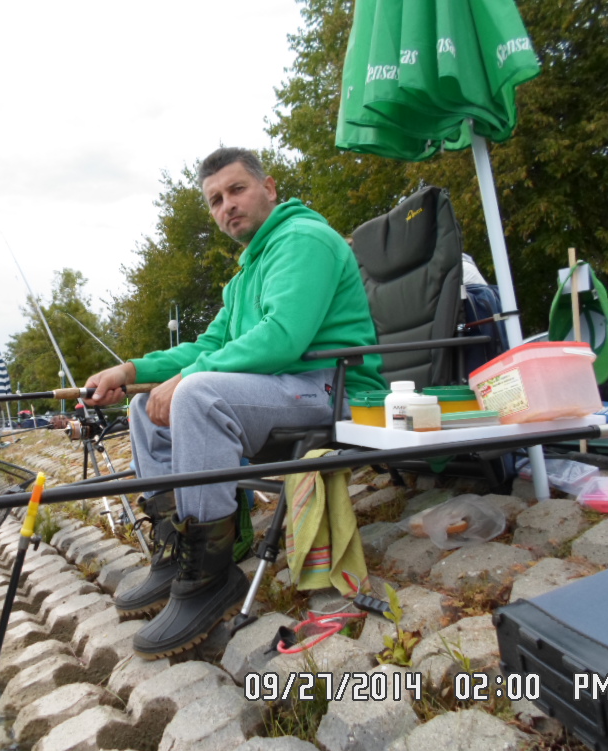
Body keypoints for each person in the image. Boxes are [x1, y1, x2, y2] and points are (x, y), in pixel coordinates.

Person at [86, 147, 386, 659]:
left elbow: (283, 337)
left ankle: (210, 579)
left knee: (197, 394)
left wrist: (188, 379)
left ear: (268, 187)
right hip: (281, 386)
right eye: (215, 200)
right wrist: (131, 371)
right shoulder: (245, 275)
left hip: (334, 388)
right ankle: (177, 554)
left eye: (236, 189)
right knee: (145, 408)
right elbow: (206, 347)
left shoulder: (304, 239)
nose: (227, 205)